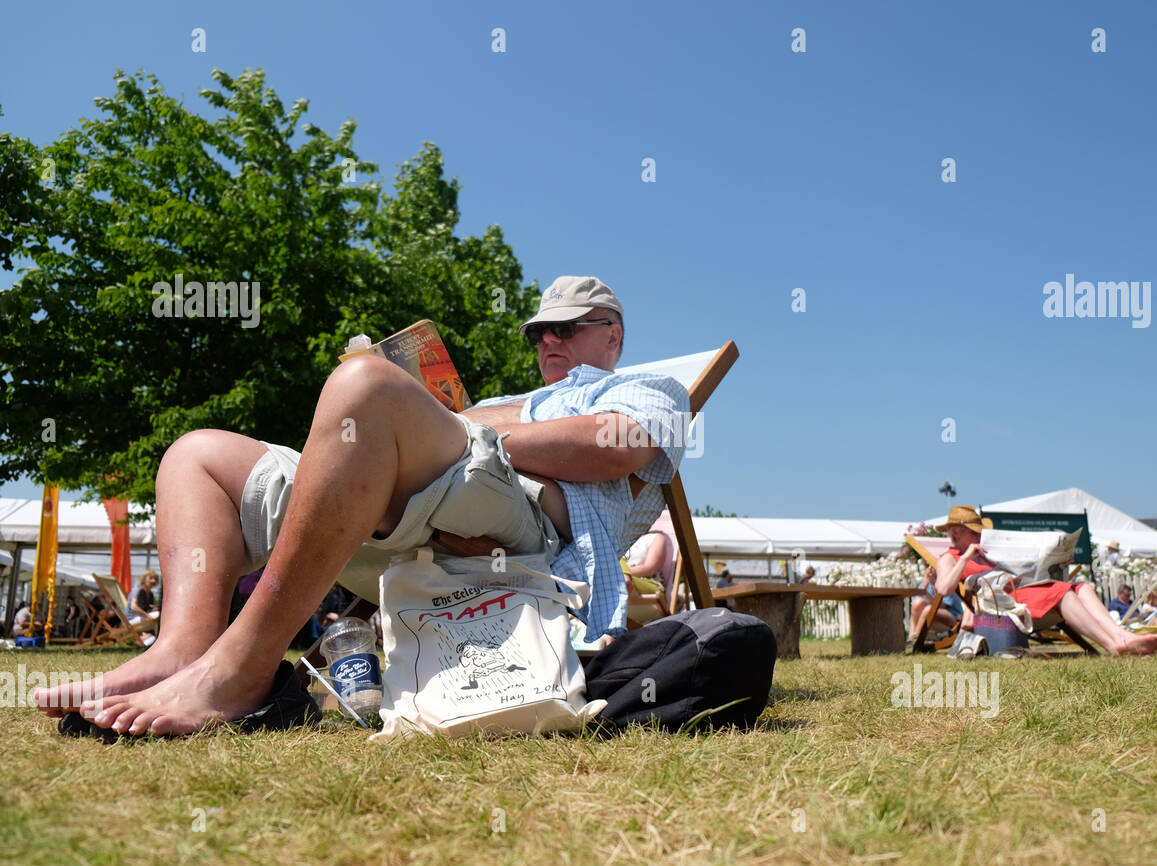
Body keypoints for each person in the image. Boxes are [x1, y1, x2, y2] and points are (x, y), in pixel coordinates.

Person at [36, 275, 691, 734]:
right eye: (540, 331)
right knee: (198, 455)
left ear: (613, 335)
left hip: (525, 537)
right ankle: (180, 648)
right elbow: (466, 429)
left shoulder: (652, 388)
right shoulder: (523, 400)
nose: (550, 340)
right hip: (433, 502)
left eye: (568, 328)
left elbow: (614, 447)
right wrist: (457, 427)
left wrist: (481, 431)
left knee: (366, 385)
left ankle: (244, 668)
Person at [933, 505, 1157, 656]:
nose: (978, 535)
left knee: (1082, 586)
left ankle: (1122, 636)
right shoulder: (950, 558)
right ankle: (1113, 645)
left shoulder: (986, 550)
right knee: (1063, 592)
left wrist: (1055, 562)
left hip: (1023, 588)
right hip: (1004, 602)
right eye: (973, 532)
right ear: (956, 533)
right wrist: (965, 558)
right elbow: (943, 588)